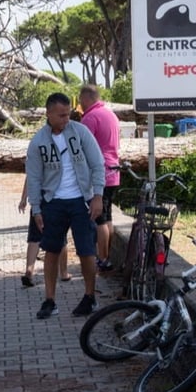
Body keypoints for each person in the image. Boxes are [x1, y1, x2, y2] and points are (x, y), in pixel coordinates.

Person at [26, 92, 106, 319]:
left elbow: (97, 164)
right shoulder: (38, 142)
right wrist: (37, 208)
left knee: (86, 251)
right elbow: (33, 178)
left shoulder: (81, 133)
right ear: (48, 114)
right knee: (51, 250)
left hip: (82, 201)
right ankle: (49, 300)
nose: (66, 119)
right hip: (53, 202)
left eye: (68, 114)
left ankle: (90, 297)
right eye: (61, 115)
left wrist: (97, 195)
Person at [78, 84, 121, 272]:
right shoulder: (110, 114)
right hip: (114, 170)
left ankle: (103, 258)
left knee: (100, 220)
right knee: (108, 216)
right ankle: (107, 255)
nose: (80, 104)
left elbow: (82, 148)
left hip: (99, 173)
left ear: (87, 98)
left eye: (80, 100)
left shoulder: (90, 117)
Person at [18, 178, 70, 287]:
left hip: (38, 198)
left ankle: (29, 270)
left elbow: (30, 177)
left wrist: (23, 198)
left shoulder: (35, 160)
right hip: (56, 196)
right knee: (60, 236)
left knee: (35, 237)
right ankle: (64, 272)